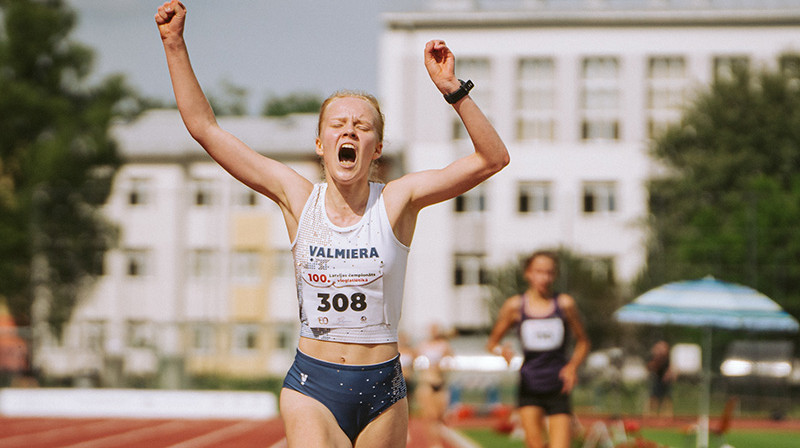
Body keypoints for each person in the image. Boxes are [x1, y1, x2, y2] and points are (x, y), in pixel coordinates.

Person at [155, 2, 509, 447]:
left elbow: (492, 159)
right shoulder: (298, 197)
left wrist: (453, 90)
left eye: (362, 127)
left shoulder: (398, 200)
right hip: (313, 385)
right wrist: (174, 44)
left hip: (384, 388)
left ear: (376, 147)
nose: (350, 132)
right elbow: (205, 128)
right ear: (321, 144)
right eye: (338, 125)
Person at [486, 250, 590, 448]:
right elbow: (492, 343)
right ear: (528, 273)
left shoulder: (565, 304)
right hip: (530, 384)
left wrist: (572, 366)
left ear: (555, 275)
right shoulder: (515, 306)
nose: (544, 277)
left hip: (558, 385)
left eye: (549, 272)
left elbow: (583, 341)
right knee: (535, 445)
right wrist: (502, 352)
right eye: (539, 272)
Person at [413, 323, 454, 448]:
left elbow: (450, 362)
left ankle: (439, 440)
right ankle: (434, 444)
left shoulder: (444, 345)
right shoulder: (422, 346)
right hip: (427, 382)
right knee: (430, 416)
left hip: (440, 382)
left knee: (440, 416)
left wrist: (442, 367)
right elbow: (415, 362)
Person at [646, 340, 674, 419]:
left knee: (667, 397)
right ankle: (651, 415)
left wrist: (669, 374)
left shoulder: (667, 358)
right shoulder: (654, 357)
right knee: (653, 397)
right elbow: (650, 367)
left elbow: (670, 368)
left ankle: (667, 416)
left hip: (665, 380)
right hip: (656, 378)